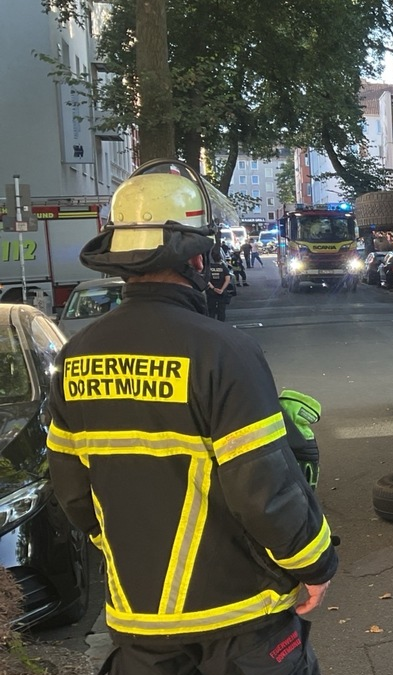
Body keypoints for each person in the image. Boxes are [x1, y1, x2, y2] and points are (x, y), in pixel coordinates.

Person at [45, 161, 337, 674]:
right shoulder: (224, 351)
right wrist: (316, 563)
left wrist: (128, 548)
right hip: (240, 623)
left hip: (140, 626)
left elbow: (72, 491)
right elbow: (264, 489)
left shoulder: (77, 355)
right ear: (196, 259)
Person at [205, 251, 233, 322]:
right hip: (222, 293)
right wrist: (222, 289)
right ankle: (221, 326)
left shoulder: (208, 268)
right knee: (221, 311)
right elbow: (227, 279)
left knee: (211, 310)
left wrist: (214, 288)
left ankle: (212, 326)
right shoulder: (223, 267)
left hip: (211, 292)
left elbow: (207, 280)